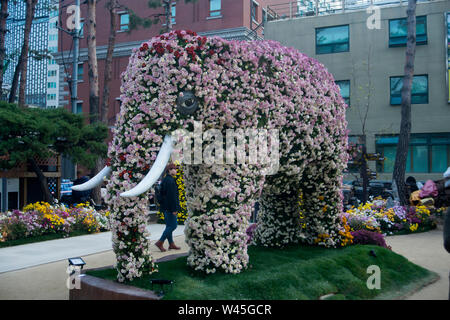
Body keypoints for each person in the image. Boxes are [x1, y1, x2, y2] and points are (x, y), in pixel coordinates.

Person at [154, 163, 181, 252]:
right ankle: (160, 242)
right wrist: (174, 209)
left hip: (165, 207)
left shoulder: (165, 179)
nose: (175, 170)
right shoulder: (170, 181)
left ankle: (171, 244)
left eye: (176, 169)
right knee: (173, 226)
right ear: (169, 170)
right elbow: (172, 196)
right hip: (170, 208)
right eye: (173, 169)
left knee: (169, 226)